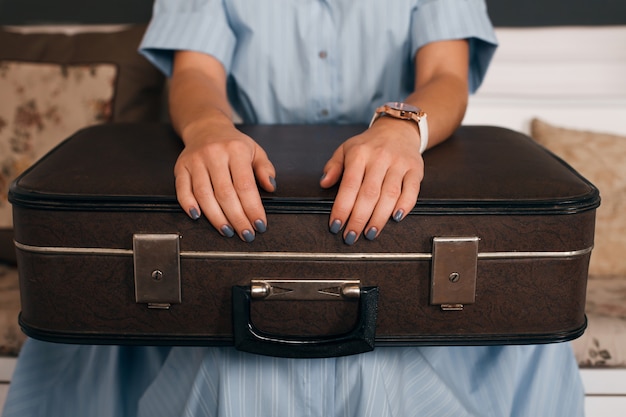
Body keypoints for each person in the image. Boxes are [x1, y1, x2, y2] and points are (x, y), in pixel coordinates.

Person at [2, 1, 585, 416]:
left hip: (399, 222)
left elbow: (445, 77)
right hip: (242, 217)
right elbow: (197, 74)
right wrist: (208, 130)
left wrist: (399, 126)